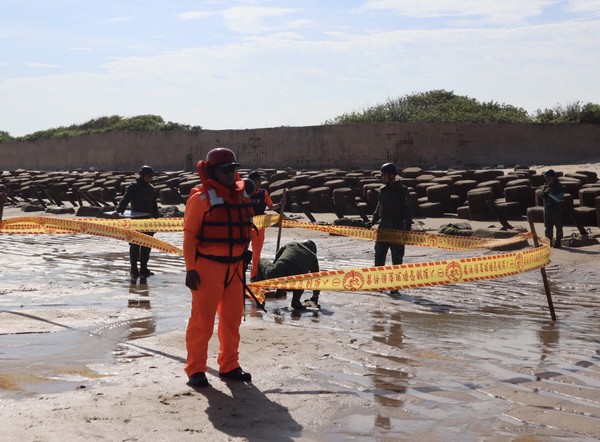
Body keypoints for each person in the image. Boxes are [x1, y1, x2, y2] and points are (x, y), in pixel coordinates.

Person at [183, 147, 254, 389]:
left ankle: (230, 364)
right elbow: (190, 236)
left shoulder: (241, 196)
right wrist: (190, 269)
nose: (230, 173)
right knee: (202, 322)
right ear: (213, 171)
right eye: (226, 169)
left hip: (234, 269)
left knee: (232, 319)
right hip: (207, 268)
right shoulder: (200, 198)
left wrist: (244, 253)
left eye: (233, 169)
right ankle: (195, 369)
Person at [368, 163, 412, 292]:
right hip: (383, 227)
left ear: (392, 175)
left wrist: (407, 230)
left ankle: (395, 287)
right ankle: (378, 284)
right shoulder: (382, 190)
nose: (382, 177)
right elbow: (379, 207)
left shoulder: (402, 190)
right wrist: (372, 221)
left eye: (384, 174)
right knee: (379, 256)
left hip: (397, 227)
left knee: (397, 259)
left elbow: (408, 210)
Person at [114, 165, 159, 279]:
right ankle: (134, 270)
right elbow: (125, 199)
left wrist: (157, 220)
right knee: (135, 246)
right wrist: (118, 211)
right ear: (142, 175)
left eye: (150, 177)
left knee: (147, 246)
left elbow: (154, 206)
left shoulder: (151, 189)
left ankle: (144, 269)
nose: (149, 178)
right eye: (147, 176)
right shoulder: (133, 187)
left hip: (148, 222)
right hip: (136, 221)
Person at [254, 240, 320, 310]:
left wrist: (278, 286)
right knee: (302, 276)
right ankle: (296, 301)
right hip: (293, 285)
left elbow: (276, 261)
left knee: (261, 260)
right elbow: (316, 279)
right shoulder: (313, 257)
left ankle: (259, 299)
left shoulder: (292, 244)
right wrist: (315, 296)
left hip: (275, 277)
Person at [246, 170, 282, 282]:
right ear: (250, 181)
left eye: (260, 180)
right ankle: (239, 273)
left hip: (259, 226)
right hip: (245, 226)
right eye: (257, 180)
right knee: (242, 250)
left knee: (256, 252)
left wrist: (281, 204)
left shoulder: (263, 193)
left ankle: (254, 276)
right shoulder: (243, 193)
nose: (259, 182)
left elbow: (271, 207)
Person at [541, 169, 565, 248]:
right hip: (547, 209)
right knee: (548, 226)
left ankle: (558, 242)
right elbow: (541, 195)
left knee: (558, 226)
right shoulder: (545, 185)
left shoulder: (558, 185)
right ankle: (549, 242)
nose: (547, 179)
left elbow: (559, 195)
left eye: (549, 177)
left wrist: (551, 188)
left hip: (555, 209)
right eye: (546, 177)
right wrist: (545, 191)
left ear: (553, 177)